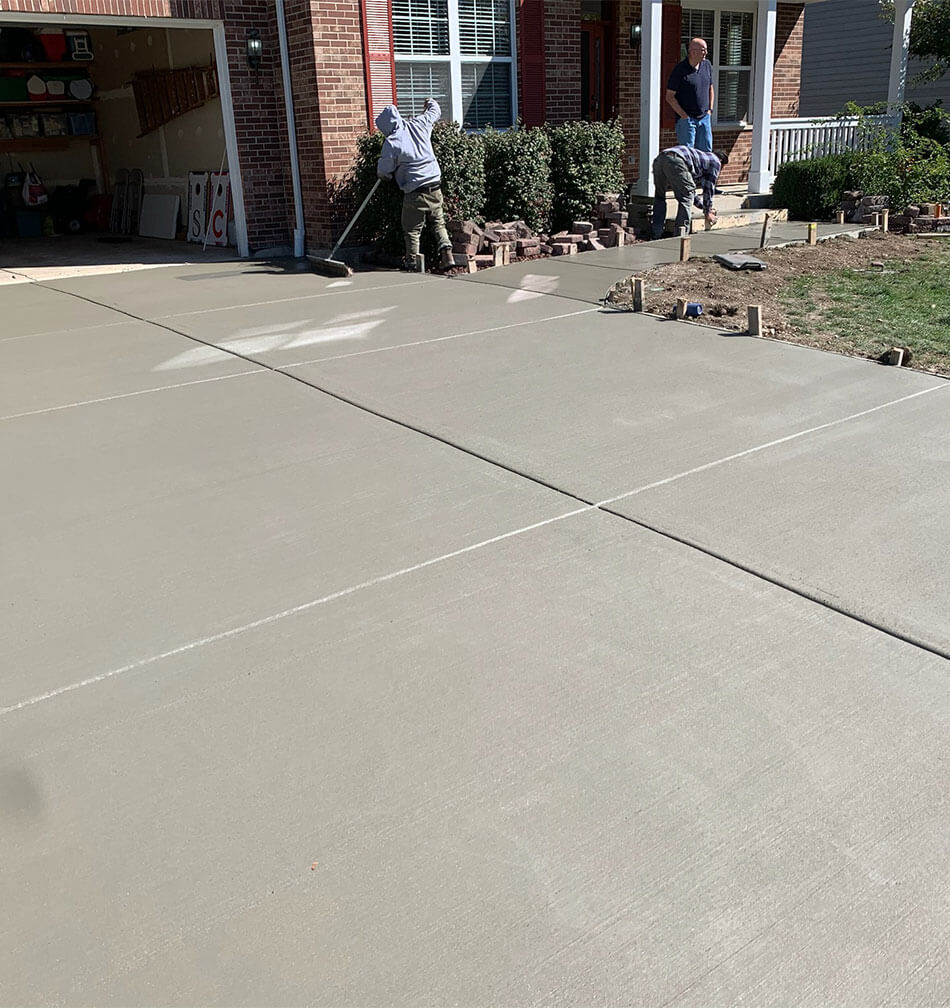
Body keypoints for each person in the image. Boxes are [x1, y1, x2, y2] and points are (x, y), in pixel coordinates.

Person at [376, 98, 454, 272]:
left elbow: (384, 170)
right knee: (438, 223)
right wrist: (430, 102)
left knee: (412, 230)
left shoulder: (392, 141)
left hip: (415, 192)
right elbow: (435, 111)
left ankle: (412, 263)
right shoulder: (419, 124)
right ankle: (447, 252)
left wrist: (385, 175)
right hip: (434, 185)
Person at [651, 145, 728, 240]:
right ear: (721, 161)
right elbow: (708, 189)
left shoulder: (699, 161)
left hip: (660, 159)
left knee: (659, 197)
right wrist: (708, 212)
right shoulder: (715, 162)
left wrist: (704, 207)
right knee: (685, 200)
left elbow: (691, 191)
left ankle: (656, 233)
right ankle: (680, 236)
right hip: (677, 160)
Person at [665, 37, 715, 151]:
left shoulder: (707, 65)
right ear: (693, 52)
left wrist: (710, 110)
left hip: (704, 118)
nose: (706, 53)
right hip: (687, 121)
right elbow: (669, 96)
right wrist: (684, 116)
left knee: (706, 154)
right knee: (688, 154)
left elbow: (710, 88)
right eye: (703, 50)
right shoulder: (680, 70)